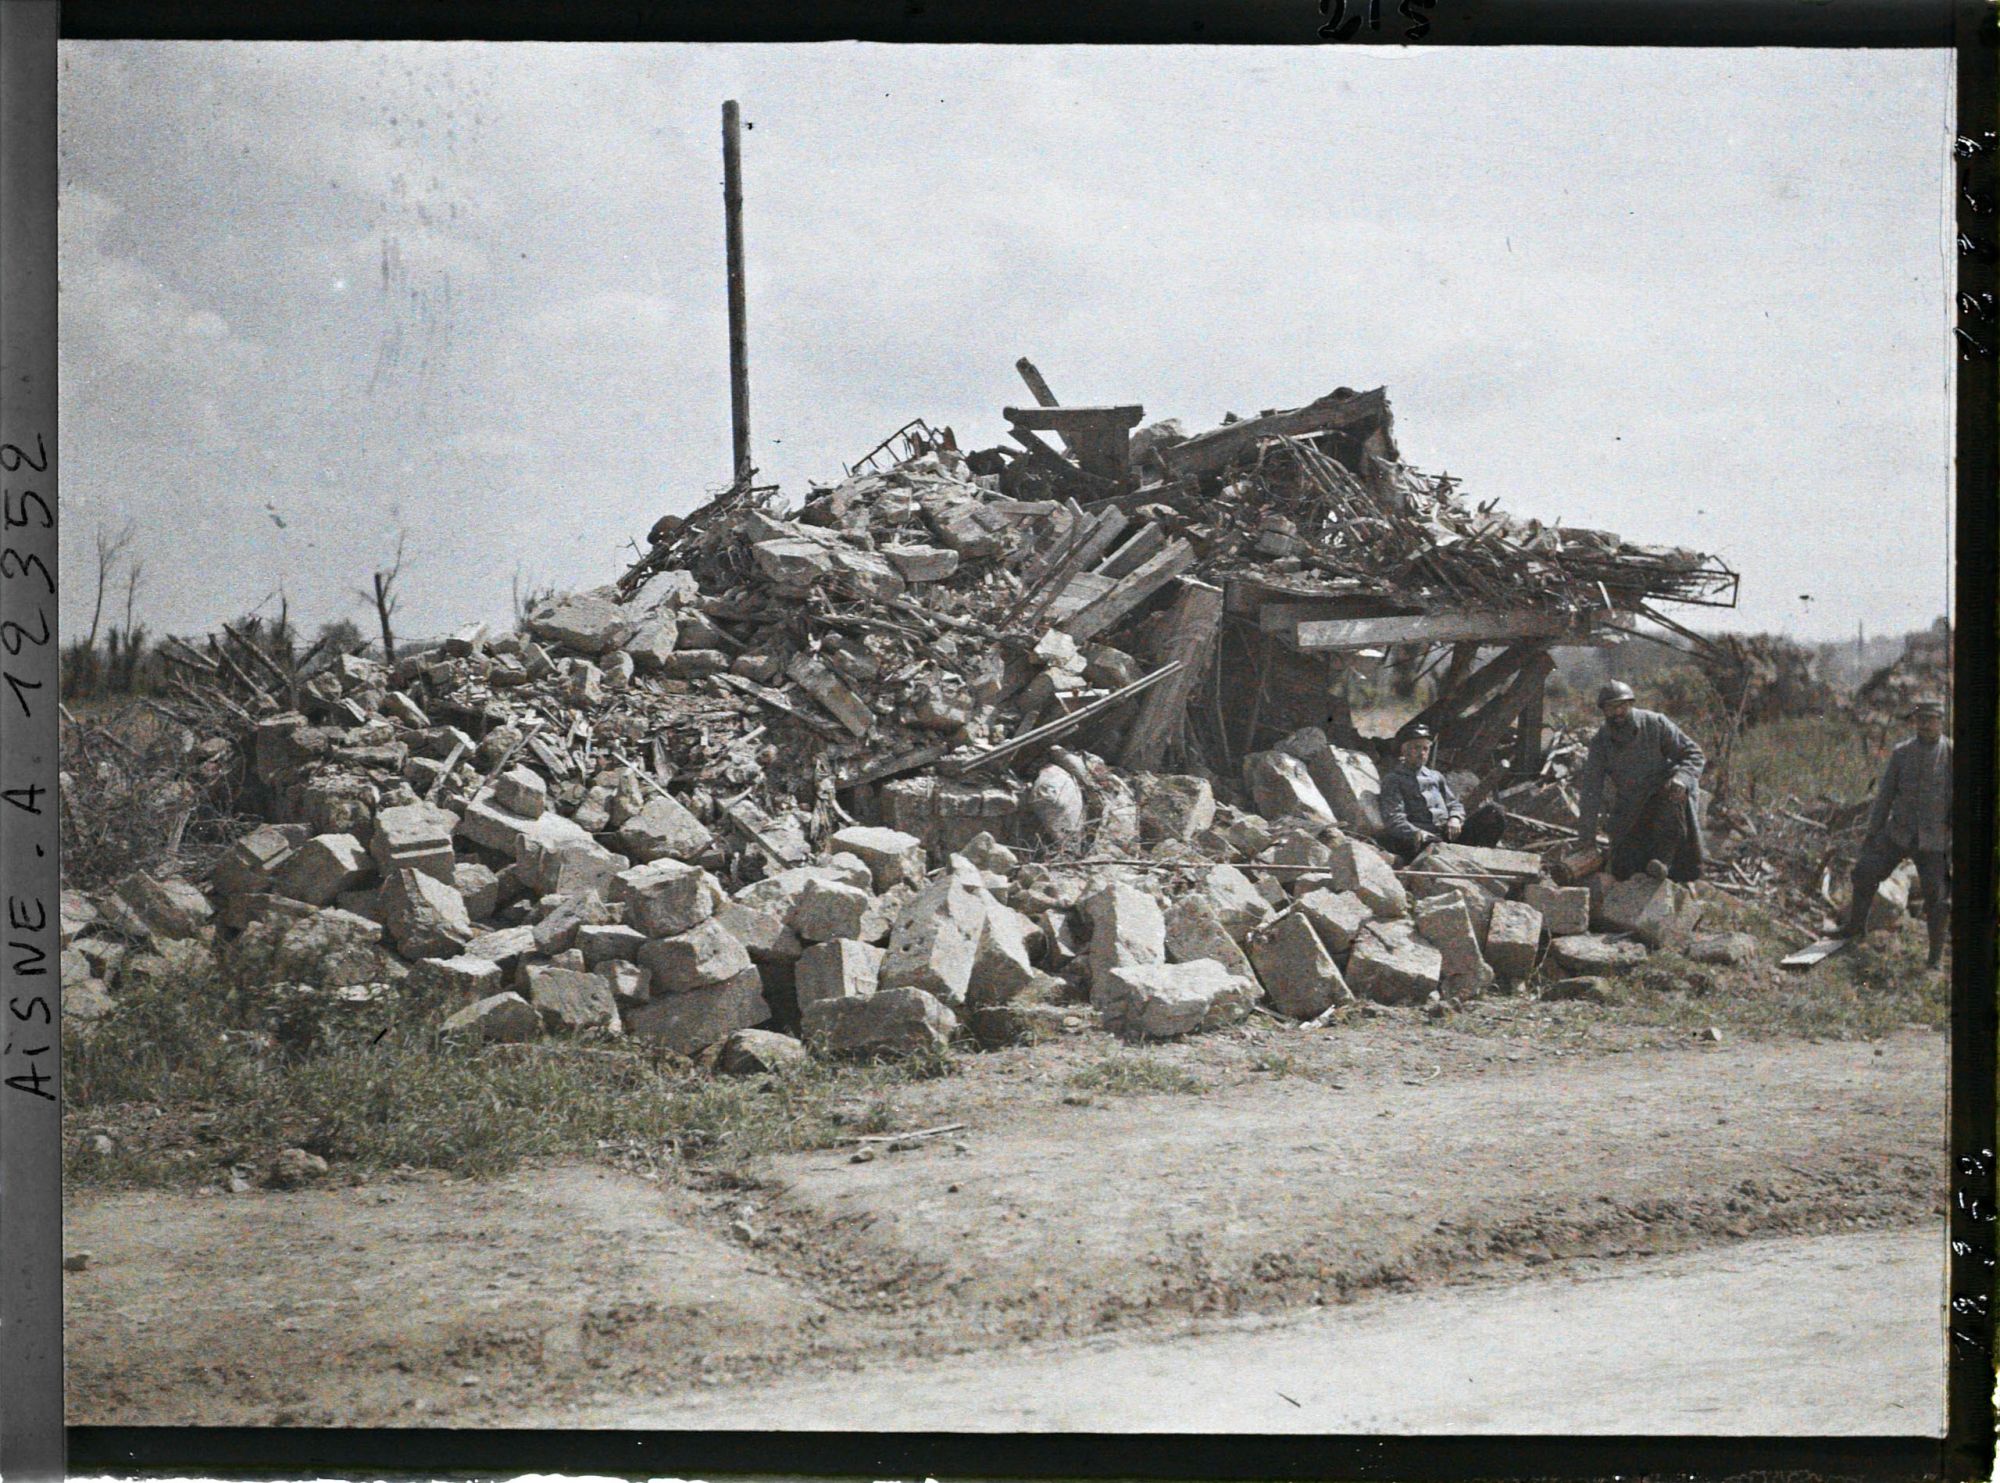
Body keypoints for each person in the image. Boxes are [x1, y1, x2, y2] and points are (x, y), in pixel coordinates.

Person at [1838, 697, 1951, 967]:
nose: (1924, 725)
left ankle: (1934, 959)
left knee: (1938, 899)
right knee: (1864, 872)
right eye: (1920, 720)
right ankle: (1855, 929)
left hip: (1934, 841)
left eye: (1930, 719)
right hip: (1898, 833)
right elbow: (1884, 797)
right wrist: (1872, 834)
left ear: (1941, 721)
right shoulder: (1902, 753)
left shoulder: (1952, 754)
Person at [1574, 681, 1707, 882]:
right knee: (1624, 869)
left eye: (1622, 706)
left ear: (1631, 705)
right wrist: (1586, 840)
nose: (1618, 712)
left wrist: (1682, 779)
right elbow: (1591, 790)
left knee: (1672, 801)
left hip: (1667, 800)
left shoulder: (1655, 724)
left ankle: (1665, 862)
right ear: (1603, 711)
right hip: (1633, 807)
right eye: (1611, 708)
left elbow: (1694, 754)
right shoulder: (1601, 742)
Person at [1378, 724, 1506, 863]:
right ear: (1404, 750)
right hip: (1418, 839)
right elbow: (1394, 818)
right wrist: (1417, 833)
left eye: (1425, 748)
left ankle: (1481, 861)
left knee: (1494, 812)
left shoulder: (1436, 777)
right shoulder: (1394, 780)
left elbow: (1453, 804)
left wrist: (1455, 819)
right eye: (1416, 748)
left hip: (1447, 834)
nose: (1422, 753)